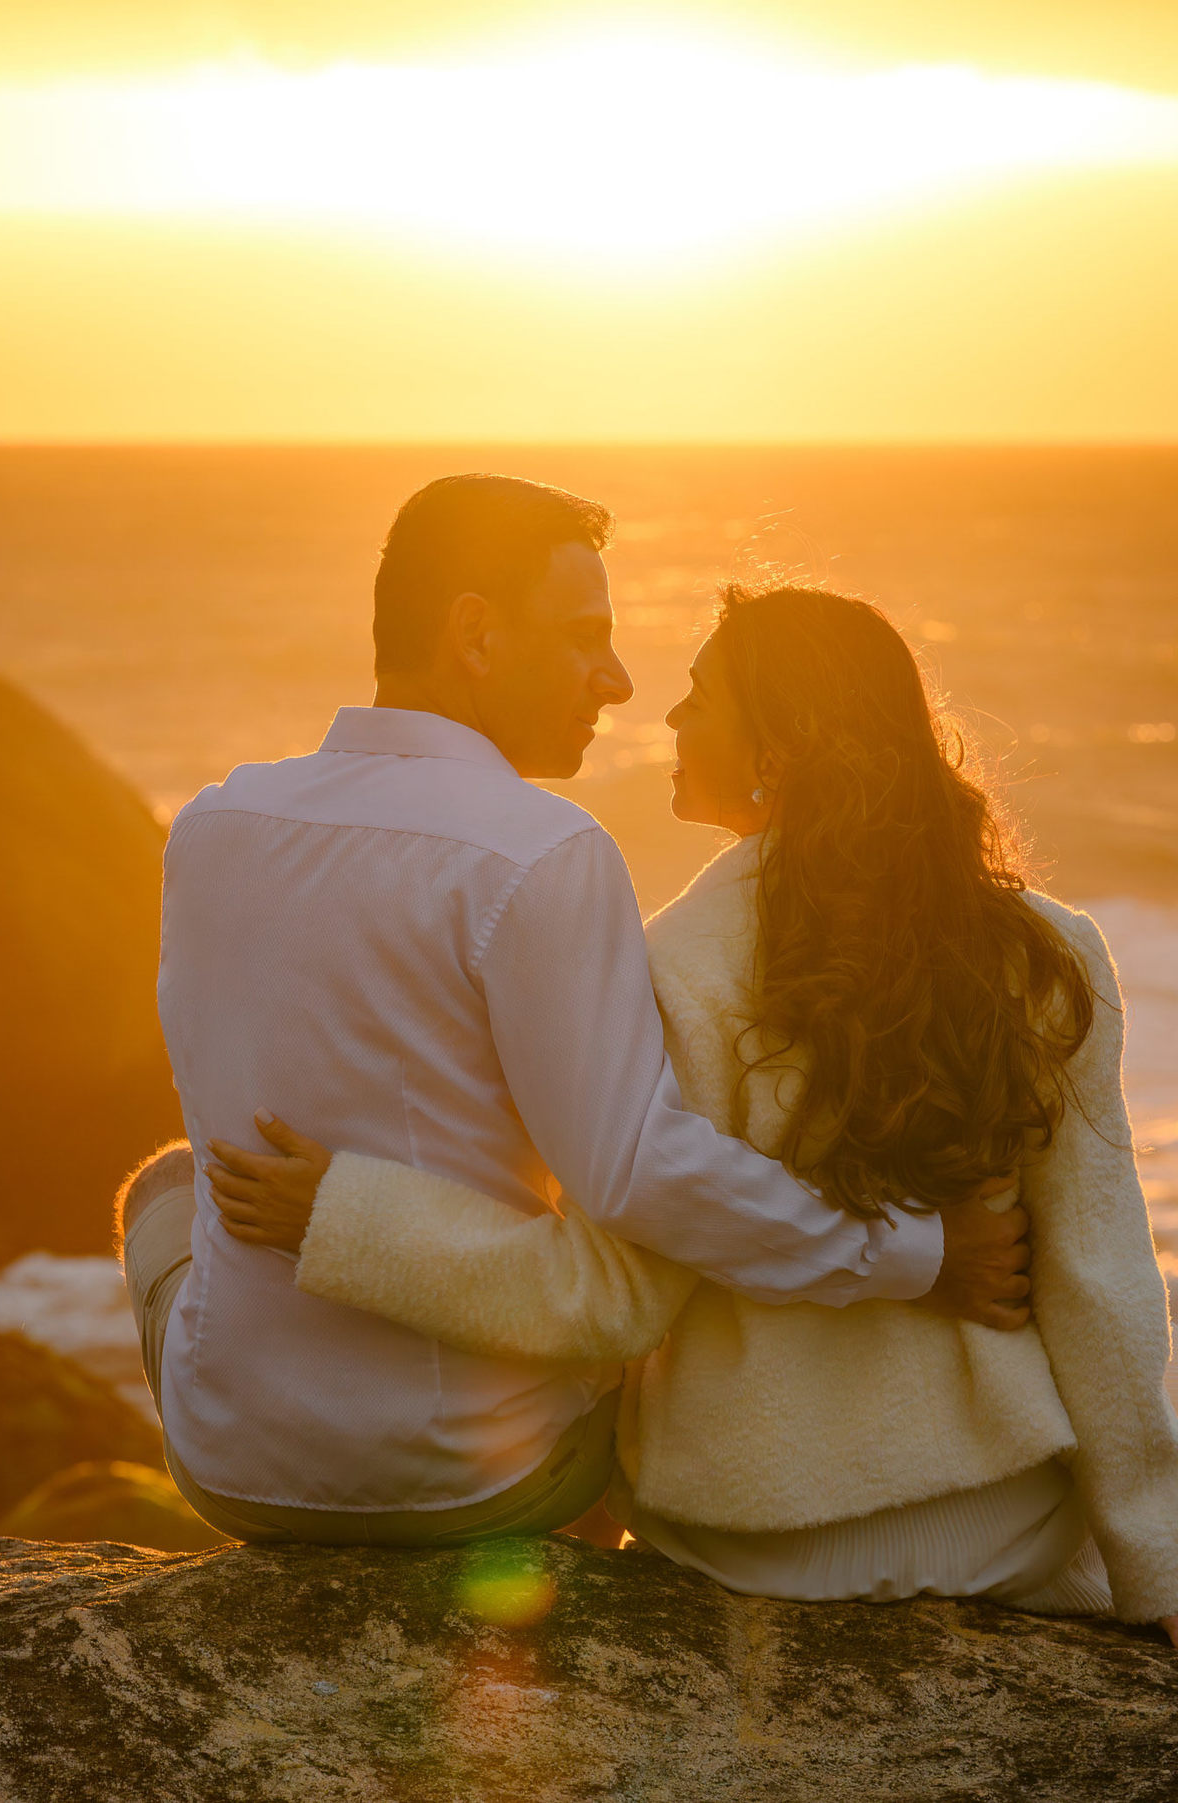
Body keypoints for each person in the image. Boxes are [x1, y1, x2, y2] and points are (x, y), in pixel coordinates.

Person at [207, 583, 1178, 1641]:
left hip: (747, 1541)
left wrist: (349, 1219)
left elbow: (611, 1302)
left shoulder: (668, 968)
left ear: (780, 748)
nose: (666, 719)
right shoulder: (1048, 951)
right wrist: (1156, 1573)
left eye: (699, 699)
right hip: (1001, 1529)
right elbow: (1102, 1281)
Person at [119, 476, 1026, 1549]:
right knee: (621, 1296)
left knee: (169, 1185)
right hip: (477, 1482)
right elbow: (640, 1173)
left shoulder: (210, 826)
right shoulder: (541, 851)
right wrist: (914, 1256)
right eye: (586, 637)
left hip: (232, 1469)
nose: (620, 680)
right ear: (477, 634)